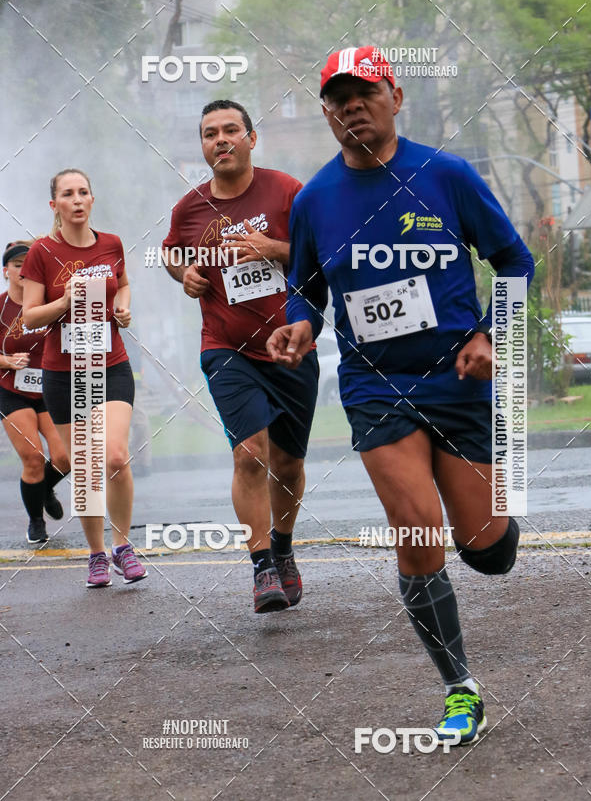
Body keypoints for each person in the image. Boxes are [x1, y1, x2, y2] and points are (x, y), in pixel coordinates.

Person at [267, 46, 535, 744]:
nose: (352, 105)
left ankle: (496, 529)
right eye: (338, 97)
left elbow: (513, 260)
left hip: (458, 377)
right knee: (416, 529)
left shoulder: (445, 176)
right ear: (327, 112)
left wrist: (490, 337)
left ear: (395, 97)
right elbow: (306, 288)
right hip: (375, 387)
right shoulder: (315, 199)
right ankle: (459, 688)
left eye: (365, 91)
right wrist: (299, 327)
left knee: (488, 551)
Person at [162, 99, 318, 613]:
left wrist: (276, 250)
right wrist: (182, 274)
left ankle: (283, 546)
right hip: (226, 347)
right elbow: (171, 254)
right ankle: (261, 567)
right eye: (211, 133)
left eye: (232, 130)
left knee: (289, 464)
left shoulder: (288, 191)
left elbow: (322, 258)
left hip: (292, 348)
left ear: (252, 138)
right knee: (250, 452)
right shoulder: (188, 209)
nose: (221, 139)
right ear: (203, 146)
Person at [21, 168, 147, 587]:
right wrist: (64, 300)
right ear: (54, 205)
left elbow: (123, 284)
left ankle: (124, 546)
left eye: (84, 192)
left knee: (114, 457)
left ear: (92, 200)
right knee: (86, 467)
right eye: (67, 194)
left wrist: (124, 308)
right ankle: (96, 556)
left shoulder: (111, 243)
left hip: (111, 365)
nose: (77, 200)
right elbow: (29, 317)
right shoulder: (41, 251)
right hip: (63, 374)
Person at [0, 241, 70, 543]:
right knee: (33, 457)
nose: (22, 270)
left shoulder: (48, 303)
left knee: (65, 457)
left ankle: (43, 490)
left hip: (48, 387)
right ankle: (36, 521)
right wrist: (7, 361)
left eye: (27, 264)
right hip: (10, 390)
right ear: (6, 271)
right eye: (16, 265)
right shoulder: (1, 305)